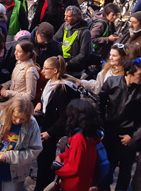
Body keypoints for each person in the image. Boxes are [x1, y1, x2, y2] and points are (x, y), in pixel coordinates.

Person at [99, 58, 141, 191]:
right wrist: (101, 125)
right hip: (109, 134)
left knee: (125, 171)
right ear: (128, 73)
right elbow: (99, 105)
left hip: (128, 138)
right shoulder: (112, 83)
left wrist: (133, 136)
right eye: (140, 74)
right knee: (106, 167)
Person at [33, 56, 80, 191]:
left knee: (45, 162)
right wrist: (40, 104)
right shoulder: (51, 83)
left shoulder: (63, 90)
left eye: (46, 68)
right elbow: (47, 101)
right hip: (46, 125)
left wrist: (50, 133)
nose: (43, 71)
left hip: (52, 130)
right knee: (42, 160)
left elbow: (64, 116)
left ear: (55, 70)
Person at [52, 99, 104, 191]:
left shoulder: (78, 138)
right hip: (84, 183)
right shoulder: (92, 136)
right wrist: (62, 156)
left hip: (72, 185)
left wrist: (57, 169)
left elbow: (73, 168)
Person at [53, 6, 92, 77]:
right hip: (63, 64)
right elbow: (55, 40)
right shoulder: (65, 26)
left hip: (75, 69)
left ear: (76, 17)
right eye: (65, 15)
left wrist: (68, 64)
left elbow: (83, 54)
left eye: (68, 16)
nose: (65, 18)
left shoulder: (84, 32)